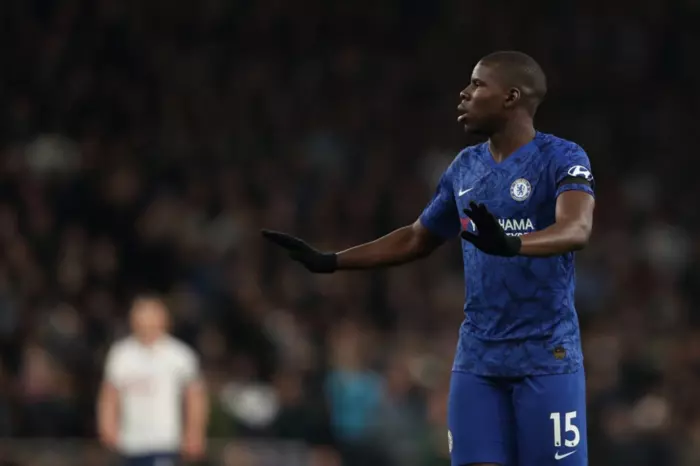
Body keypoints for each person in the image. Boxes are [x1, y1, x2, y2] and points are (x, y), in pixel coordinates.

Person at [262, 50, 595, 466]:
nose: (464, 93)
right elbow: (417, 238)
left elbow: (576, 229)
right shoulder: (465, 167)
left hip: (546, 355)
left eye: (478, 84)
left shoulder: (561, 157)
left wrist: (513, 244)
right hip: (478, 360)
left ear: (511, 97)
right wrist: (331, 261)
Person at [97, 295, 208, 466]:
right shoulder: (121, 354)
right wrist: (107, 425)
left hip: (165, 442)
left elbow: (195, 397)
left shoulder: (180, 355)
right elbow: (110, 394)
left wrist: (194, 432)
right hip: (130, 443)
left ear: (163, 319)